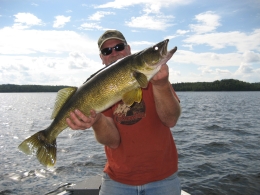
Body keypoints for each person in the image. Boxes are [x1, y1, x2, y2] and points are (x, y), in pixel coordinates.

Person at [66, 30, 182, 195]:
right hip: (117, 180)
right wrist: (97, 120)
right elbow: (113, 141)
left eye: (119, 47)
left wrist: (162, 85)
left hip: (163, 178)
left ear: (128, 49)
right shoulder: (99, 90)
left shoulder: (154, 78)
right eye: (107, 51)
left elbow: (171, 120)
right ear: (102, 58)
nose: (114, 53)